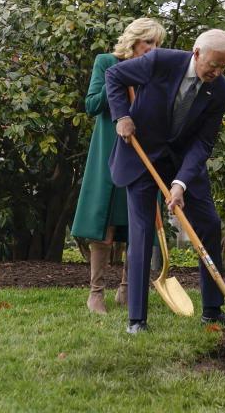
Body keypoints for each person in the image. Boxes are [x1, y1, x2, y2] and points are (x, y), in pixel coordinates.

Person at [105, 28, 225, 333]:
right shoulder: (160, 61)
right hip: (143, 156)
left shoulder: (222, 91)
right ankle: (137, 320)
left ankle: (213, 310)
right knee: (141, 232)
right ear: (197, 53)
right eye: (212, 65)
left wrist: (180, 184)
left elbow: (203, 142)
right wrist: (121, 116)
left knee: (209, 225)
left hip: (183, 163)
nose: (217, 72)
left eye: (224, 67)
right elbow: (114, 76)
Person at [70, 18, 166, 315]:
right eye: (148, 42)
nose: (153, 49)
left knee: (139, 221)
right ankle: (95, 293)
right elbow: (91, 105)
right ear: (133, 41)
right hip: (109, 150)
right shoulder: (106, 62)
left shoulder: (154, 70)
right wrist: (119, 79)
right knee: (106, 221)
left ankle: (126, 290)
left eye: (158, 44)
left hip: (143, 150)